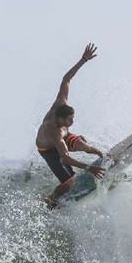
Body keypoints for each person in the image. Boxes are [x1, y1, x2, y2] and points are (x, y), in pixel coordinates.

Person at [35, 43, 106, 209]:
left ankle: (103, 155)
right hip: (47, 149)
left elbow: (66, 79)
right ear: (60, 120)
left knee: (82, 143)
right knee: (69, 182)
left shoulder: (61, 103)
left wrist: (83, 60)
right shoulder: (55, 132)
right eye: (69, 120)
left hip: (61, 138)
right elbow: (65, 158)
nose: (72, 122)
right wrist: (89, 168)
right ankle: (51, 199)